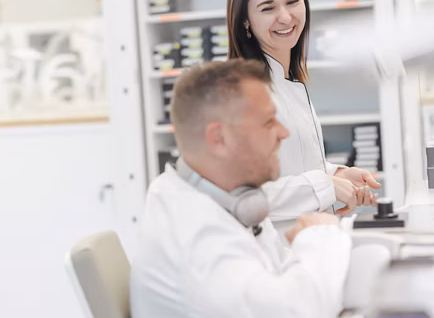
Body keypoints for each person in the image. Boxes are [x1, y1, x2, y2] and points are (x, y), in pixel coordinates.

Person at [128, 59, 352, 318]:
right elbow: (296, 312)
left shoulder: (224, 197)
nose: (283, 133)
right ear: (219, 139)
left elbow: (275, 275)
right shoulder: (197, 236)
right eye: (269, 122)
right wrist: (319, 238)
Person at [223, 0, 382, 230]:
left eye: (293, 1)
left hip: (310, 243)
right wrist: (326, 185)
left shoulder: (286, 81)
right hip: (276, 252)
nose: (285, 17)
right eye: (268, 8)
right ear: (245, 21)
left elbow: (292, 162)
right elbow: (242, 194)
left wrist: (339, 174)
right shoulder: (241, 94)